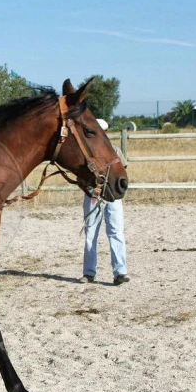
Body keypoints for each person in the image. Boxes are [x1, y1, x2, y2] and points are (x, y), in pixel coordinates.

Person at [81, 119, 129, 286]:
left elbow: (122, 172)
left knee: (116, 232)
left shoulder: (114, 150)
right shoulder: (86, 155)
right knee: (90, 234)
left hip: (112, 197)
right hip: (94, 195)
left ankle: (120, 271)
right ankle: (89, 272)